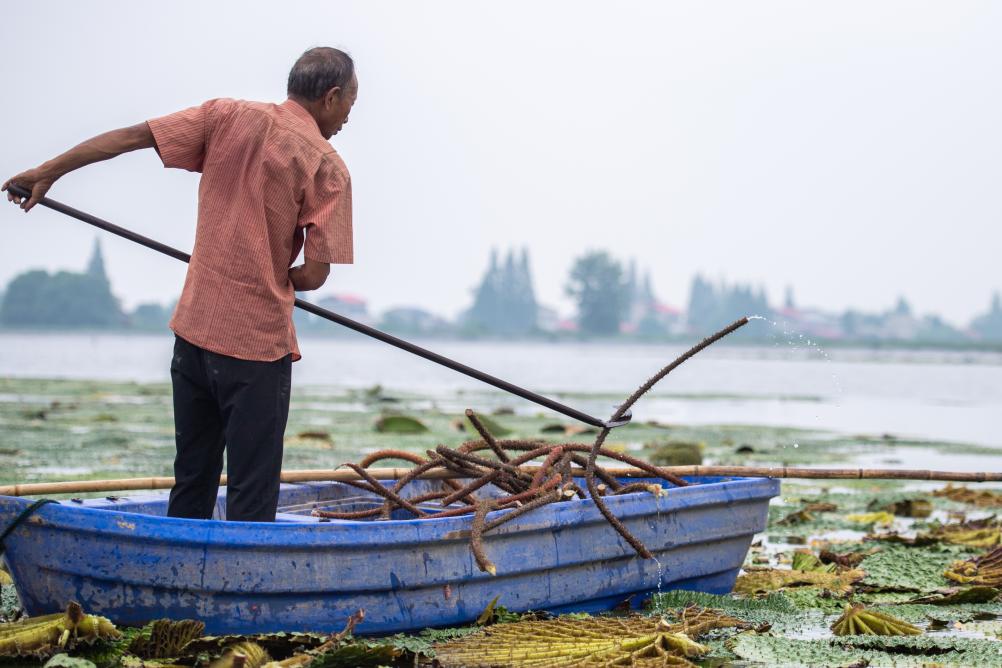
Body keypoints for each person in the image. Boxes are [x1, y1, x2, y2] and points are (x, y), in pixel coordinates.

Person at [2, 47, 358, 522]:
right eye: (350, 106)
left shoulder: (225, 115)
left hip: (193, 334)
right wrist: (278, 275)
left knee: (192, 479)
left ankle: (179, 576)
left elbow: (130, 138)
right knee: (253, 496)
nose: (347, 119)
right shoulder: (327, 168)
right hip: (255, 348)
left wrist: (47, 171)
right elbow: (314, 274)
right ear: (331, 97)